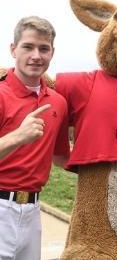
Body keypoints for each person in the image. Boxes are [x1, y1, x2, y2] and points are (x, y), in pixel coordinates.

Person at [0, 16, 68, 260]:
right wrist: (18, 136)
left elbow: (62, 157)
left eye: (44, 48)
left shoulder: (58, 101)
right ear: (13, 49)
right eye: (28, 47)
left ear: (52, 52)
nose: (36, 55)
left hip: (33, 212)